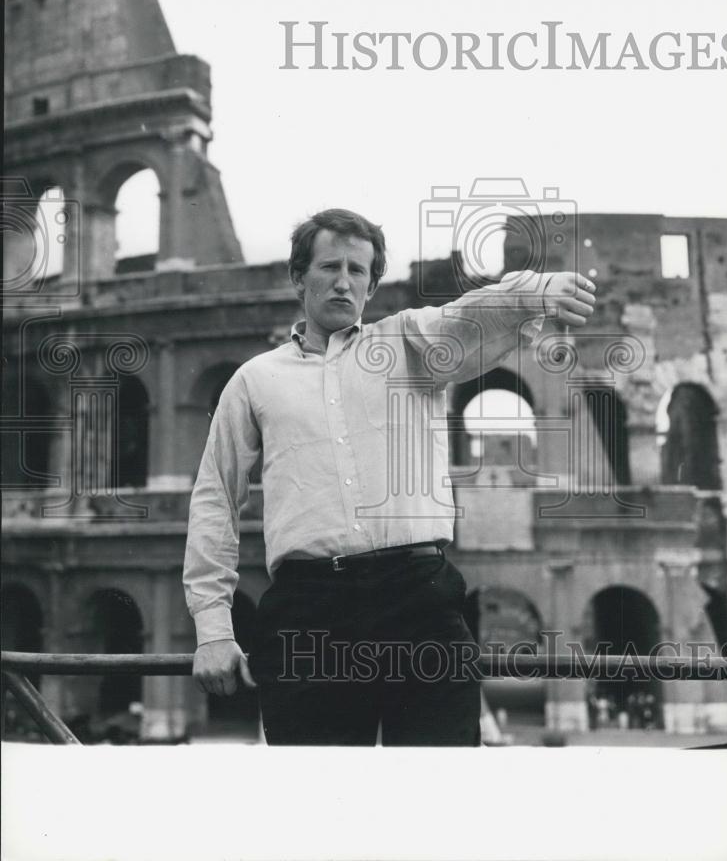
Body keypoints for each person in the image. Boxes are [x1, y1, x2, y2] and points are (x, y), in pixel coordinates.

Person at [183, 208, 597, 745]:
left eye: (359, 270)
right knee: (317, 796)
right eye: (330, 266)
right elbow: (216, 499)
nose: (344, 281)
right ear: (298, 277)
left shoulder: (407, 343)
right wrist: (213, 629)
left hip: (417, 597)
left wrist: (535, 290)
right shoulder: (254, 380)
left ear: (373, 283)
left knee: (439, 792)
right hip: (309, 608)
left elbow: (465, 314)